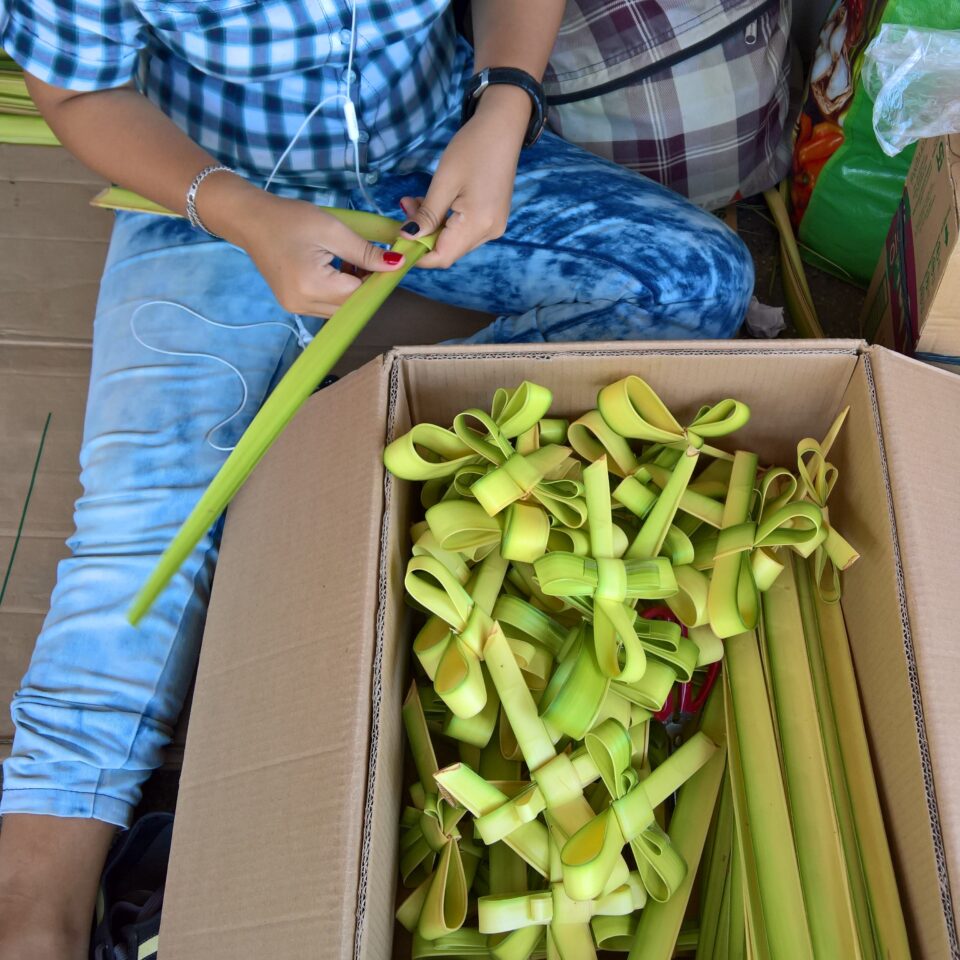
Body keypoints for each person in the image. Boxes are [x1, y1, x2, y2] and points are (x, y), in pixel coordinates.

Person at [0, 1, 753, 956]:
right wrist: (242, 213)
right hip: (213, 202)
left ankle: (325, 478)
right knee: (135, 543)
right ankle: (34, 909)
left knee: (695, 283)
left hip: (429, 165)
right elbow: (77, 91)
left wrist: (504, 105)